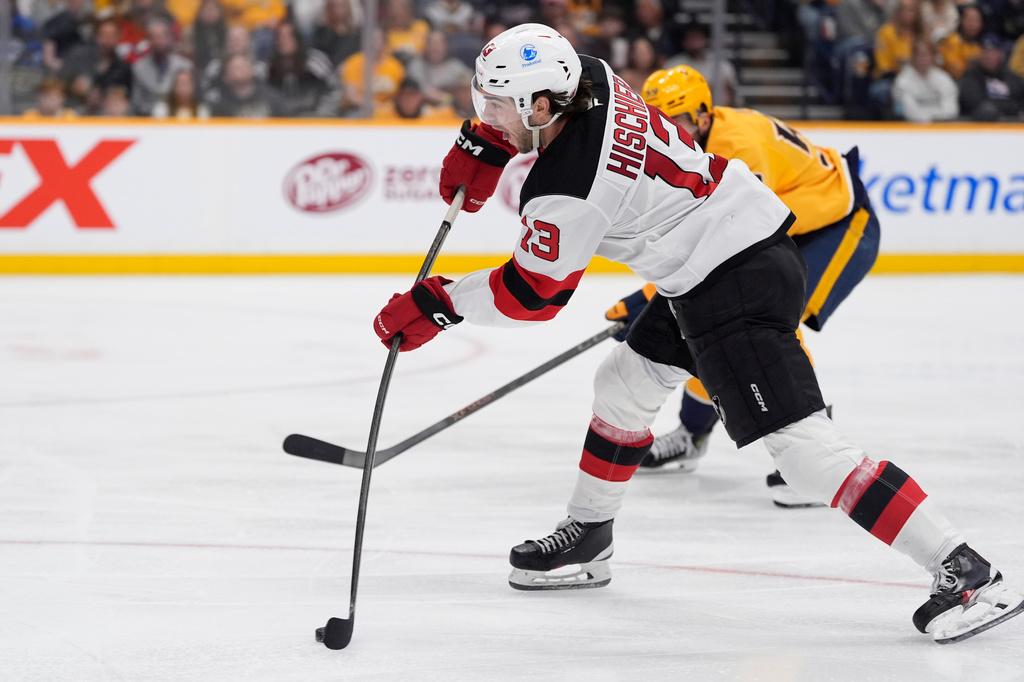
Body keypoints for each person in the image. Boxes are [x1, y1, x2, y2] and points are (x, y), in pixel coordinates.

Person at [372, 22, 1024, 643]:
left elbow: (535, 294)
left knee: (802, 454)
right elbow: (541, 137)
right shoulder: (591, 75)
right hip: (721, 248)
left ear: (542, 103)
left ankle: (968, 571)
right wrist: (487, 143)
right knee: (623, 383)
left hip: (731, 281)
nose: (485, 113)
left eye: (496, 106)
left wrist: (437, 304)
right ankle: (591, 534)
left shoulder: (568, 187)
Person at [597, 64, 881, 509]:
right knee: (711, 320)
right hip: (785, 221)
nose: (666, 131)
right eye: (658, 121)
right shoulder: (685, 150)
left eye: (678, 122)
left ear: (704, 117)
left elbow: (728, 245)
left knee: (765, 321)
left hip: (837, 222)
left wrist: (645, 300)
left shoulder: (737, 150)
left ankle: (818, 455)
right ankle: (692, 436)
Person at [958, 32, 1024, 120]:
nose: (988, 56)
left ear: (1000, 54)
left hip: (1011, 125)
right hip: (979, 127)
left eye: (993, 52)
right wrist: (1010, 107)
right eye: (985, 52)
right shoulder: (971, 75)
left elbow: (1019, 102)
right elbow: (975, 103)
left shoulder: (1011, 76)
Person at [892, 37, 959, 121]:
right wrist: (930, 120)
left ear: (933, 56)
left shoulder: (944, 78)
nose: (923, 58)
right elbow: (908, 111)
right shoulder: (902, 81)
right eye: (920, 54)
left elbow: (951, 109)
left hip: (942, 127)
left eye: (927, 54)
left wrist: (935, 120)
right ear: (913, 56)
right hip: (912, 129)